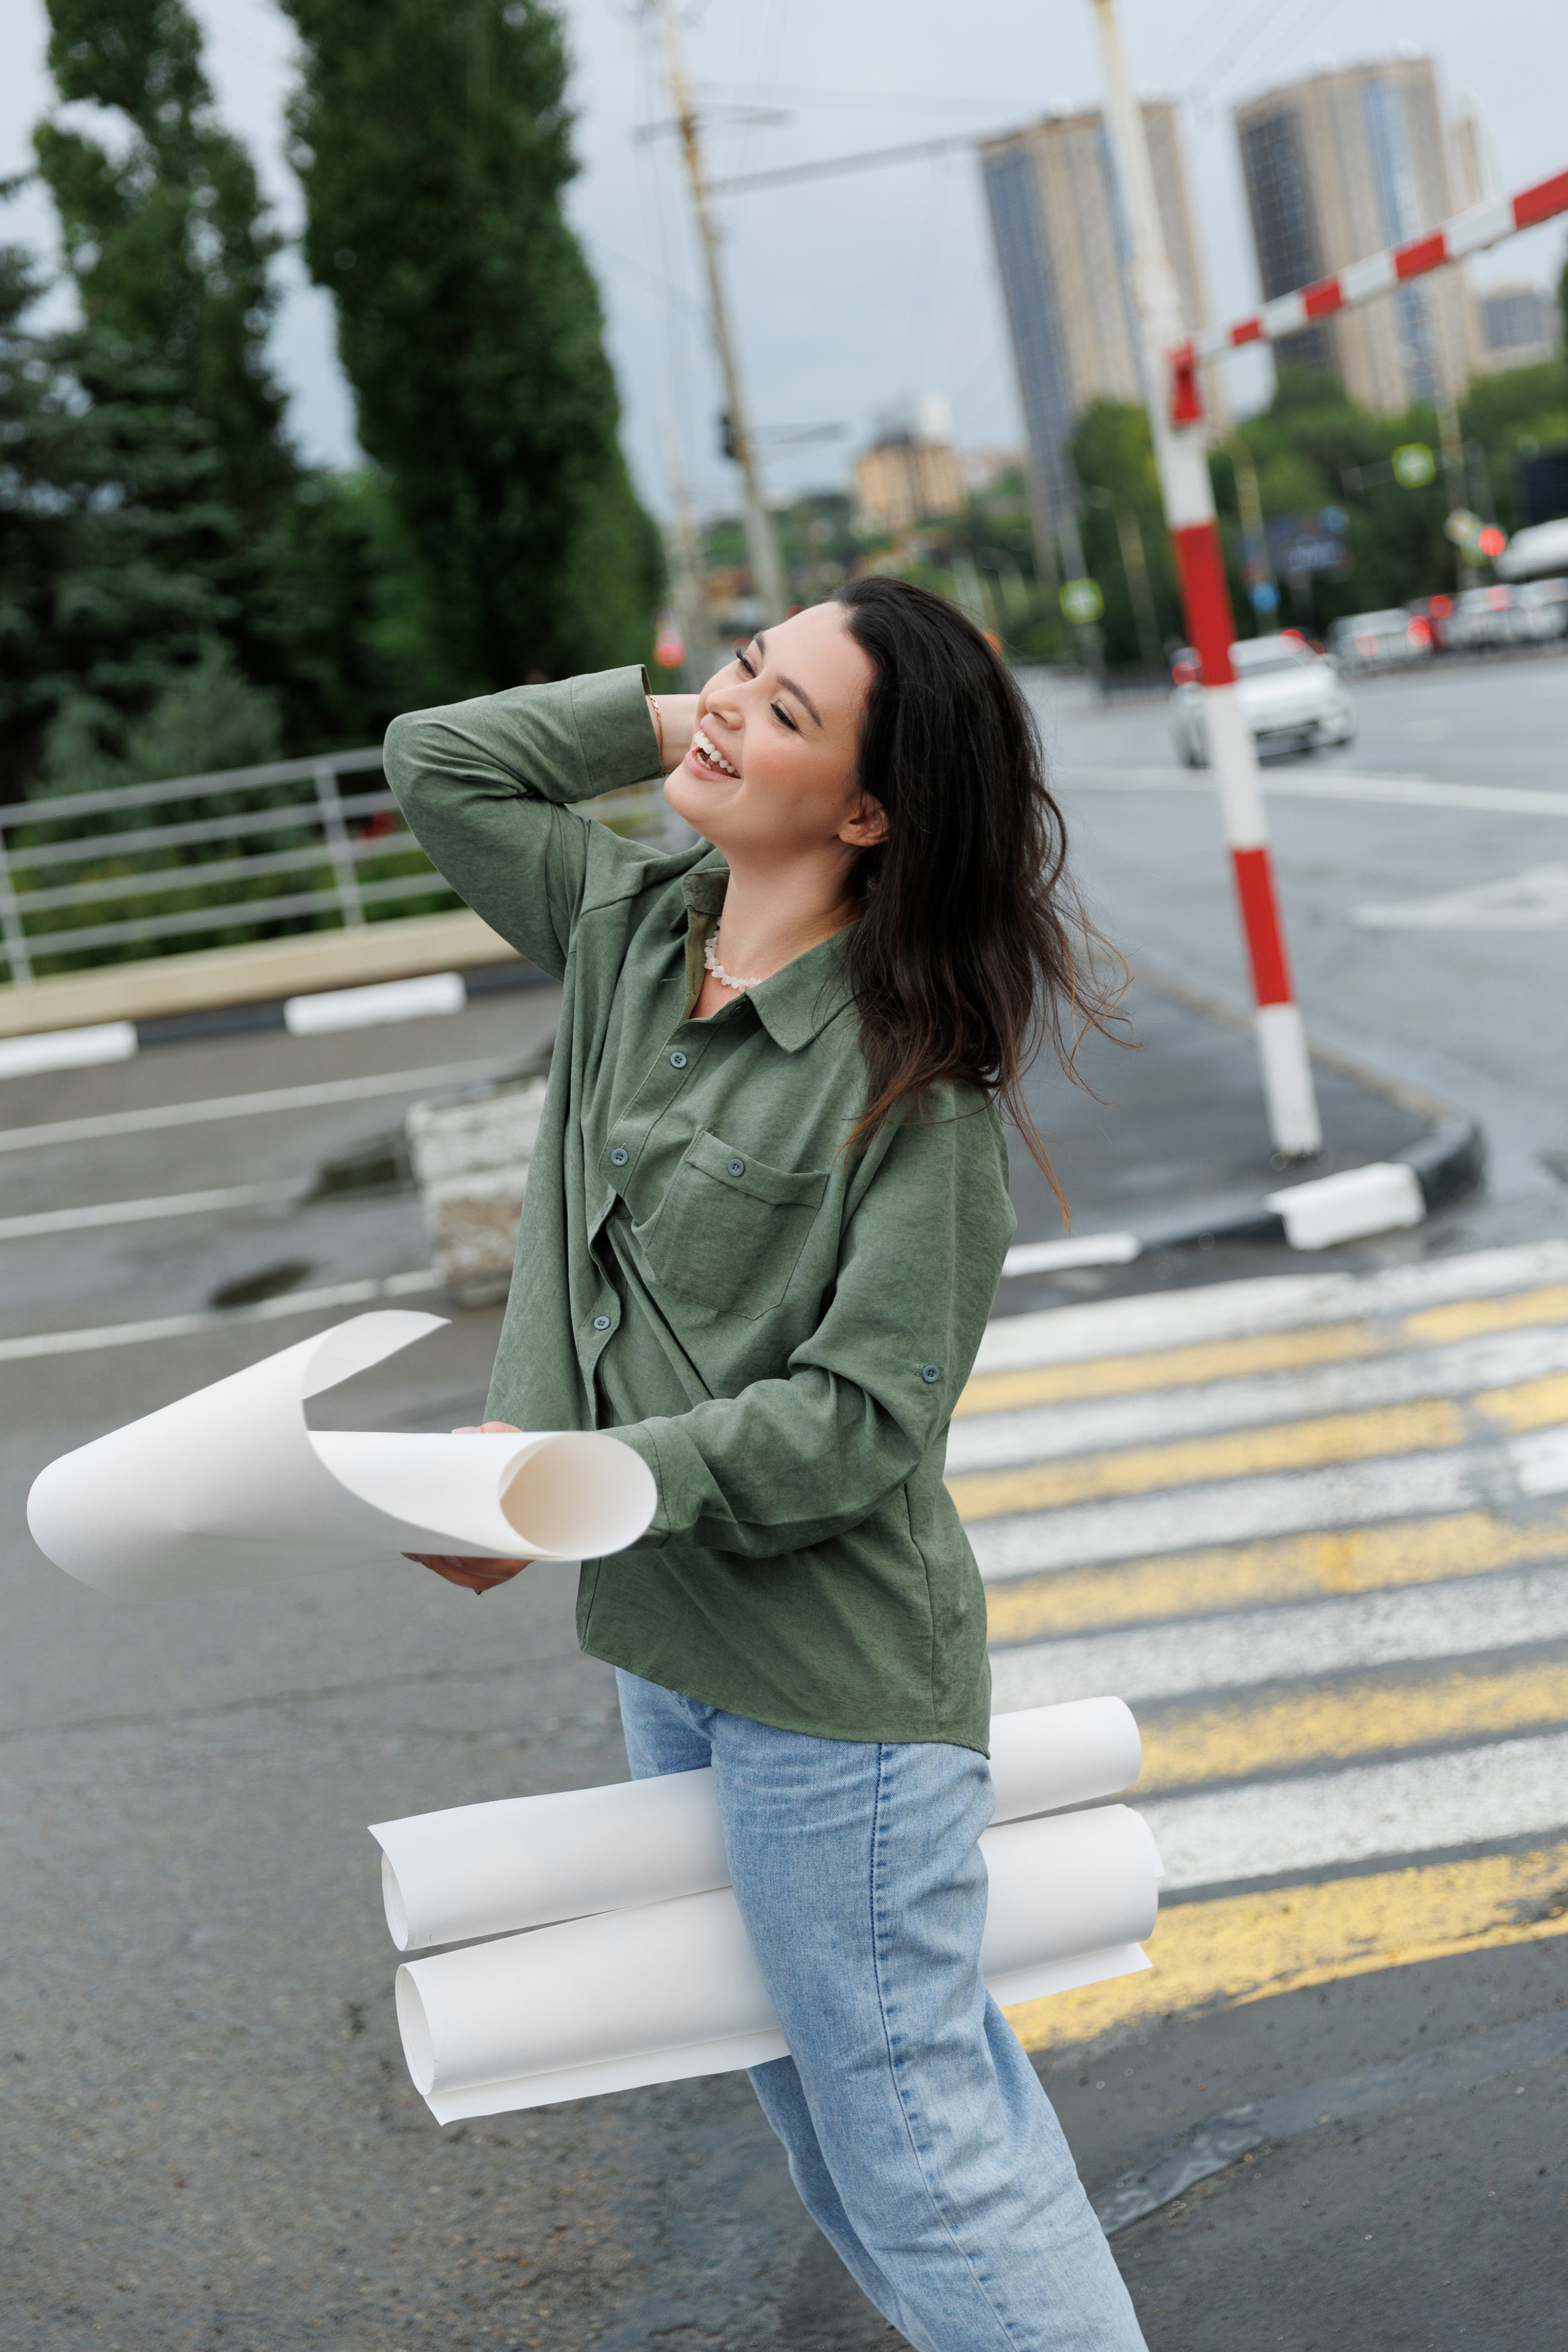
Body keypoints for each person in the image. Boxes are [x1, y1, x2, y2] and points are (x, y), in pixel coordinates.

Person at [386, 579, 1143, 2352]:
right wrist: (713, 730)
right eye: (742, 664)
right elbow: (440, 765)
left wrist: (567, 1484)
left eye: (788, 713)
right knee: (834, 2135)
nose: (726, 707)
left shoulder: (911, 1089)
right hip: (679, 1653)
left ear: (870, 815)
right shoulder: (633, 929)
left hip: (837, 1699)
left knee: (925, 2153)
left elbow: (859, 1426)